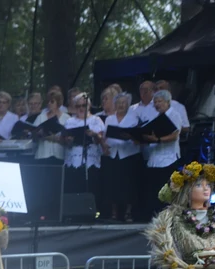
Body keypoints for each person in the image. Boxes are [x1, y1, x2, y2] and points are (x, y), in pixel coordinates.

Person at [141, 89, 187, 220]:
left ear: (167, 102)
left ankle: (168, 217)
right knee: (154, 189)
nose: (157, 104)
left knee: (167, 190)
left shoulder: (175, 115)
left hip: (168, 158)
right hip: (154, 158)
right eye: (155, 102)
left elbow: (175, 134)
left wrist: (159, 140)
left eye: (159, 101)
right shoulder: (155, 117)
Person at [101, 92, 141, 221]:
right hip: (113, 154)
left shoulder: (133, 118)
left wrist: (129, 136)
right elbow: (104, 136)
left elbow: (137, 136)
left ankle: (128, 212)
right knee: (113, 184)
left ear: (128, 104)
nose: (121, 105)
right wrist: (104, 145)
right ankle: (113, 212)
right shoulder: (109, 118)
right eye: (118, 103)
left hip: (128, 154)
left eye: (124, 103)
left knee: (128, 184)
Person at [62, 93, 104, 193]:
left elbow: (101, 139)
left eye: (83, 105)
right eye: (78, 106)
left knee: (90, 191)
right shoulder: (69, 121)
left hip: (90, 160)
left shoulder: (96, 120)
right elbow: (64, 141)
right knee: (74, 191)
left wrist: (94, 135)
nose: (81, 108)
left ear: (89, 106)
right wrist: (68, 141)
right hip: (73, 160)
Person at [33, 89, 68, 164]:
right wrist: (40, 134)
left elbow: (69, 139)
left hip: (59, 156)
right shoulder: (41, 117)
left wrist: (57, 139)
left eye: (52, 101)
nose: (49, 104)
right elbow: (33, 135)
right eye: (48, 101)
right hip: (42, 155)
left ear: (58, 103)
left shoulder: (67, 118)